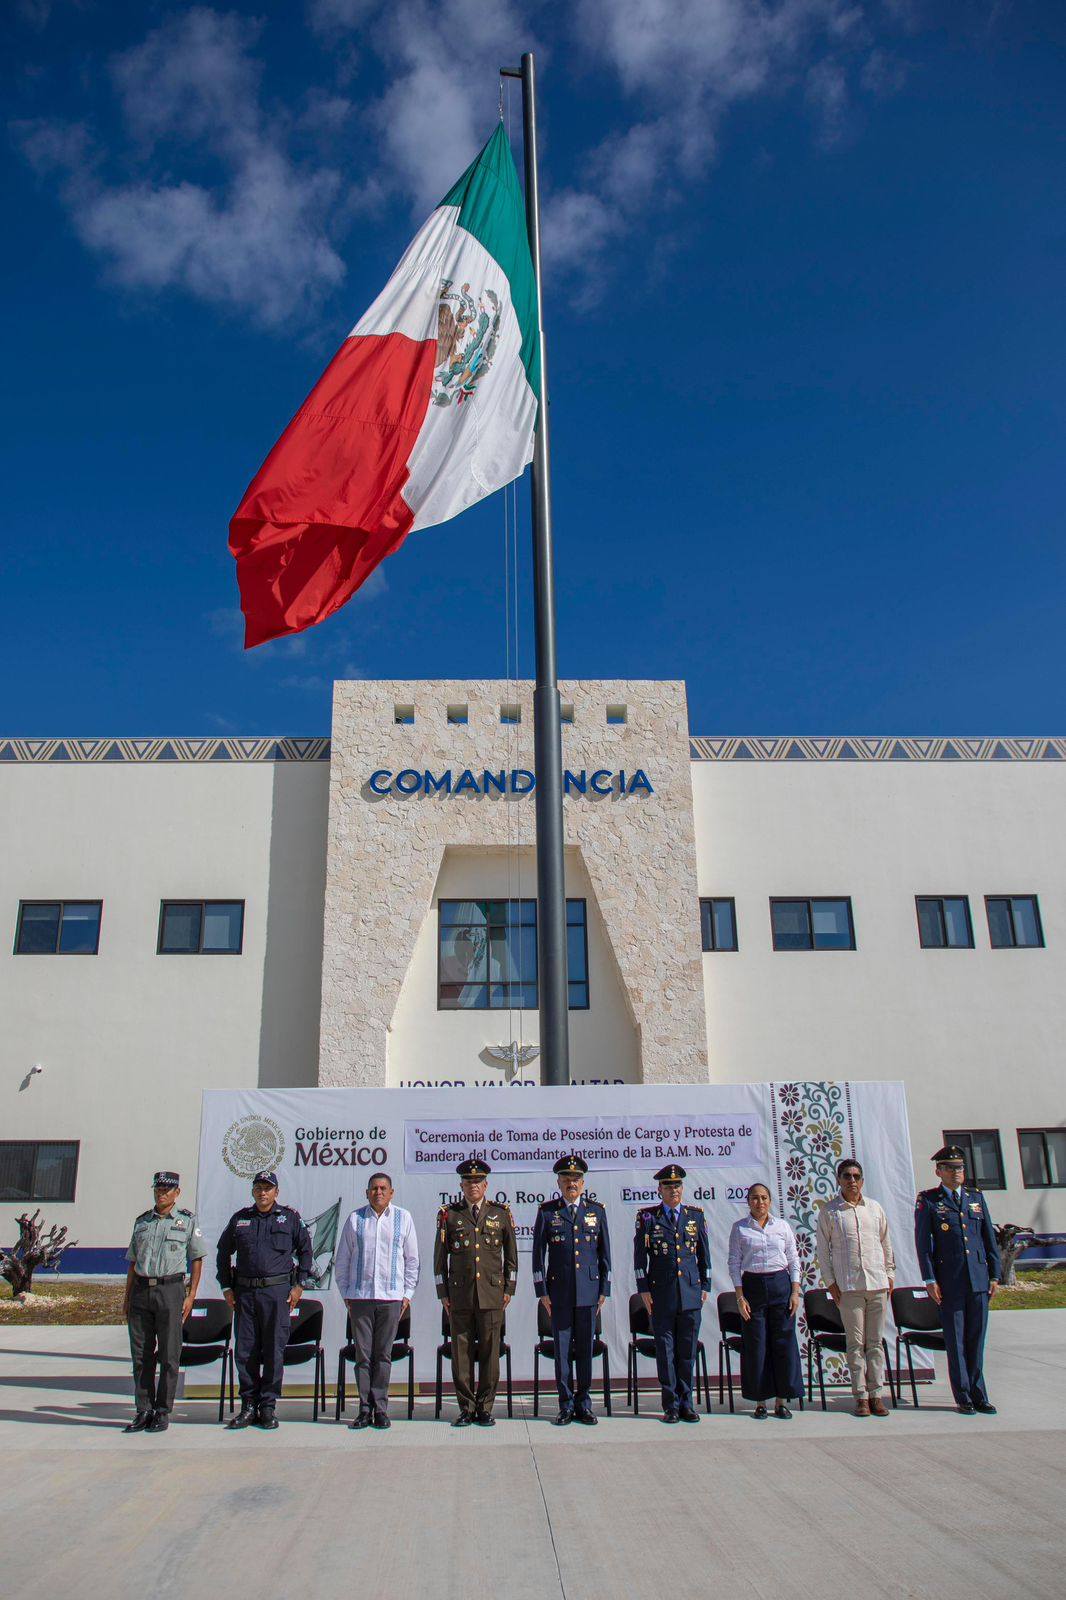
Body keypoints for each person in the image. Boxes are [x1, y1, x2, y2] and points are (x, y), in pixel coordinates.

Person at [216, 1170, 313, 1430]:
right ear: (253, 1191)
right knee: (245, 1351)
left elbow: (306, 1251)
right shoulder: (240, 1219)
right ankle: (248, 1405)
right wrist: (226, 1286)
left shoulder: (289, 1218)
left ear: (276, 1192)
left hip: (277, 1295)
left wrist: (299, 1286)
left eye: (267, 1188)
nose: (263, 1192)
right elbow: (222, 1252)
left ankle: (268, 1406)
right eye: (258, 1188)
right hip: (245, 1295)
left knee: (273, 1350)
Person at [914, 1144, 1001, 1415]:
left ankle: (979, 1394)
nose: (956, 1173)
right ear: (938, 1171)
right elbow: (923, 1245)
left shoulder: (975, 1198)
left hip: (978, 1279)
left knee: (977, 1339)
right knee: (957, 1341)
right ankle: (963, 1395)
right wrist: (929, 1279)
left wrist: (995, 1274)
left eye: (960, 1168)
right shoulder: (929, 1200)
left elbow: (988, 1237)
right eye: (950, 1168)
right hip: (949, 1282)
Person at [434, 1158, 518, 1427]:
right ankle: (466, 1408)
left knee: (491, 1354)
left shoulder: (500, 1213)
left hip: (492, 1295)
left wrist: (509, 1288)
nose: (473, 1186)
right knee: (461, 1354)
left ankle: (485, 1407)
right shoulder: (450, 1214)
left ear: (486, 1185)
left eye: (478, 1182)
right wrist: (442, 1292)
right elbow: (440, 1260)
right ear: (461, 1185)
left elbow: (511, 1258)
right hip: (459, 1296)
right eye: (468, 1182)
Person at [122, 1170, 207, 1434]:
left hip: (170, 1290)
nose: (162, 1194)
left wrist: (191, 1295)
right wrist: (126, 1297)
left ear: (177, 1193)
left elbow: (197, 1259)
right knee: (141, 1355)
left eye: (167, 1190)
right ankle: (143, 1409)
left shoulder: (186, 1222)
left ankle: (162, 1410)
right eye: (158, 1189)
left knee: (170, 1354)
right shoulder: (142, 1222)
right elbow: (133, 1262)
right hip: (141, 1291)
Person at [335, 1171, 419, 1430]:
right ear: (367, 1192)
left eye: (383, 1188)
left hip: (392, 1299)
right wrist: (347, 1294)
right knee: (363, 1357)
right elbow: (342, 1260)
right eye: (374, 1188)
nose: (378, 1192)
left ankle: (380, 1409)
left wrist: (407, 1295)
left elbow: (412, 1260)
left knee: (383, 1356)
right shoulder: (355, 1219)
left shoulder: (403, 1218)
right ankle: (363, 1409)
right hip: (360, 1299)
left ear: (391, 1192)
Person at [532, 1155, 612, 1426]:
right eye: (566, 1180)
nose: (571, 1184)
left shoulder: (596, 1211)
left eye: (575, 1179)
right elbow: (537, 1255)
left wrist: (604, 1289)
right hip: (559, 1294)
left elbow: (605, 1255)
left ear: (583, 1182)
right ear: (558, 1182)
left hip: (589, 1293)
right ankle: (565, 1404)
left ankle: (584, 1403)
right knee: (563, 1351)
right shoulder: (547, 1212)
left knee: (586, 1352)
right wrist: (541, 1290)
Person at [816, 1157, 895, 1417]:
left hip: (877, 1285)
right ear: (839, 1180)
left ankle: (877, 1394)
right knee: (855, 1343)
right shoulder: (830, 1211)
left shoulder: (874, 1209)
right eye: (847, 1176)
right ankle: (860, 1396)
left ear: (862, 1180)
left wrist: (890, 1274)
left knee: (875, 1343)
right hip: (849, 1287)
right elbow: (822, 1252)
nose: (852, 1181)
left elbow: (886, 1244)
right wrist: (830, 1283)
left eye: (856, 1176)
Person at [633, 1164, 711, 1423]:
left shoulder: (694, 1217)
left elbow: (704, 1257)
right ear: (659, 1190)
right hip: (661, 1295)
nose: (673, 1190)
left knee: (686, 1351)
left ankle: (687, 1403)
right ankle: (671, 1405)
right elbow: (638, 1260)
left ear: (682, 1188)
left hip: (690, 1294)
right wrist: (643, 1289)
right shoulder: (647, 1218)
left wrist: (705, 1287)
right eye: (668, 1186)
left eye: (677, 1185)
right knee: (666, 1352)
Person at [727, 1183, 803, 1419]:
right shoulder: (739, 1228)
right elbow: (734, 1263)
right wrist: (740, 1297)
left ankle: (781, 1401)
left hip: (781, 1286)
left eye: (763, 1198)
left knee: (783, 1344)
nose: (759, 1202)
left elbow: (793, 1259)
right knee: (757, 1345)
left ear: (770, 1201)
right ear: (748, 1201)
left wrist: (794, 1292)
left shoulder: (782, 1226)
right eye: (754, 1198)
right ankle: (760, 1402)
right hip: (753, 1288)